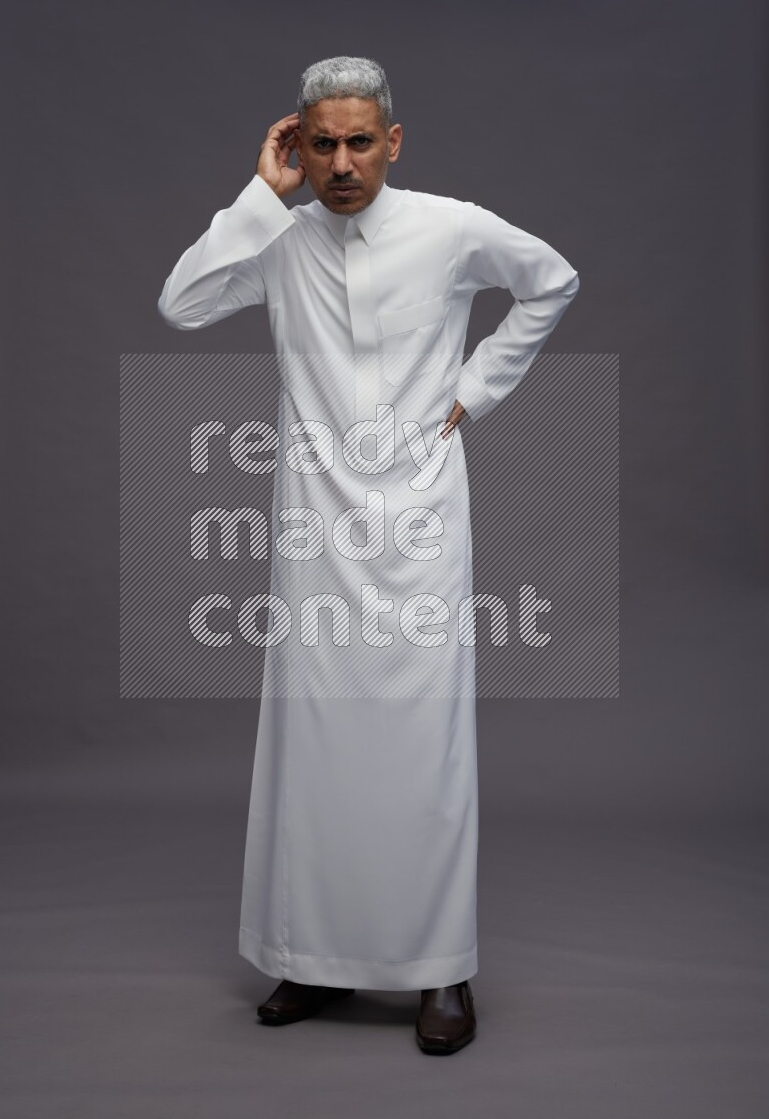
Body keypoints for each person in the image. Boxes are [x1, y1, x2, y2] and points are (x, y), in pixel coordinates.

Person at [158, 56, 579, 1055]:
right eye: (320, 144)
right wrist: (257, 199)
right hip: (312, 515)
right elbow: (180, 304)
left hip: (421, 510)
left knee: (420, 745)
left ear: (392, 141)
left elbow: (550, 281)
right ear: (296, 147)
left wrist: (471, 391)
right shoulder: (279, 237)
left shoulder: (449, 227)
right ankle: (311, 958)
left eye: (358, 141)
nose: (340, 162)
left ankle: (439, 971)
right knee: (314, 742)